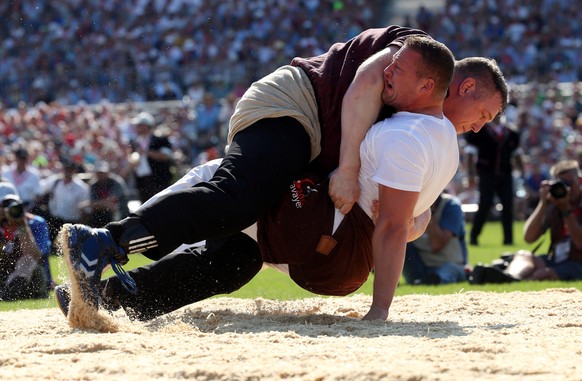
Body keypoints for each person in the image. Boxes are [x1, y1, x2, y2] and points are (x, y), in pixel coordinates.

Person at [58, 28, 507, 321]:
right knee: (238, 197)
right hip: (296, 106)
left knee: (236, 262)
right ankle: (102, 243)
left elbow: (405, 203)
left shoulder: (422, 125)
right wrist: (348, 167)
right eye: (483, 113)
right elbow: (366, 83)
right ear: (460, 86)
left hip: (311, 146)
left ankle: (112, 301)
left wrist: (415, 215)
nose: (480, 126)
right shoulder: (412, 54)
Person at [502, 159, 582, 281]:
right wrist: (543, 203)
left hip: (578, 262)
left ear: (580, 180)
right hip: (557, 259)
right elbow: (529, 237)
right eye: (562, 184)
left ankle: (518, 282)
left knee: (544, 273)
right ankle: (509, 278)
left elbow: (580, 243)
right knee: (524, 256)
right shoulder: (554, 206)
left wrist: (566, 210)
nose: (567, 189)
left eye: (570, 183)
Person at [465, 115, 524, 246]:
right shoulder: (480, 130)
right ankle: (474, 236)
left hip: (506, 173)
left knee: (508, 205)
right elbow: (470, 153)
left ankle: (508, 239)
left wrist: (522, 171)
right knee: (485, 204)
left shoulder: (512, 132)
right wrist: (471, 175)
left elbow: (517, 153)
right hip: (486, 173)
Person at [402, 191, 468, 285]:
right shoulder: (410, 205)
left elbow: (437, 245)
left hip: (447, 264)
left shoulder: (451, 206)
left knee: (450, 270)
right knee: (399, 243)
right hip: (420, 266)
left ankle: (434, 280)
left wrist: (428, 213)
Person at [0, 194, 51, 300]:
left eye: (16, 206)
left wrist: (22, 226)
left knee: (26, 260)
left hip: (33, 277)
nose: (12, 210)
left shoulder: (36, 222)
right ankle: (8, 290)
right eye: (6, 206)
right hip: (4, 273)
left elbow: (36, 255)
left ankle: (12, 290)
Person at [41, 160, 90, 247]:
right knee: (49, 244)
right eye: (66, 169)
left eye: (70, 170)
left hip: (71, 220)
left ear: (74, 171)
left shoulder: (82, 188)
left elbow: (85, 208)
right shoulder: (54, 181)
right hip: (54, 218)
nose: (68, 172)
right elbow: (40, 190)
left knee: (70, 247)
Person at [128, 112, 174, 203]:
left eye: (139, 125)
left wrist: (146, 152)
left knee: (162, 205)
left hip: (158, 180)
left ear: (146, 126)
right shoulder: (135, 142)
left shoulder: (160, 139)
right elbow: (133, 160)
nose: (137, 128)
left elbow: (166, 156)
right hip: (142, 181)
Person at [80, 162, 130, 228]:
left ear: (108, 172)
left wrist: (93, 204)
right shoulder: (94, 185)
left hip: (119, 211)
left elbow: (112, 200)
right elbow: (94, 204)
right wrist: (95, 204)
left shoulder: (116, 182)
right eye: (99, 173)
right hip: (102, 212)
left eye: (103, 173)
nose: (101, 175)